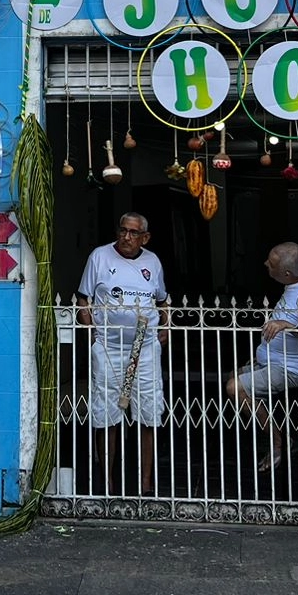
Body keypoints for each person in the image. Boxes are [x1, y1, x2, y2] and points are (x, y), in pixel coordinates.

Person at [76, 211, 169, 495]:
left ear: (145, 237)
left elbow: (163, 300)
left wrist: (167, 326)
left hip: (145, 345)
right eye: (122, 230)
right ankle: (107, 482)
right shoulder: (99, 257)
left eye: (133, 233)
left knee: (149, 411)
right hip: (109, 345)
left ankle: (145, 484)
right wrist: (92, 332)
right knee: (107, 413)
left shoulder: (152, 261)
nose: (126, 237)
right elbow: (83, 299)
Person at [226, 242, 298, 471]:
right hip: (276, 362)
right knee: (234, 375)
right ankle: (264, 428)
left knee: (235, 388)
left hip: (294, 370)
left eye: (271, 265)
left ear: (287, 274)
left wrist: (289, 326)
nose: (265, 265)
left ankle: (278, 442)